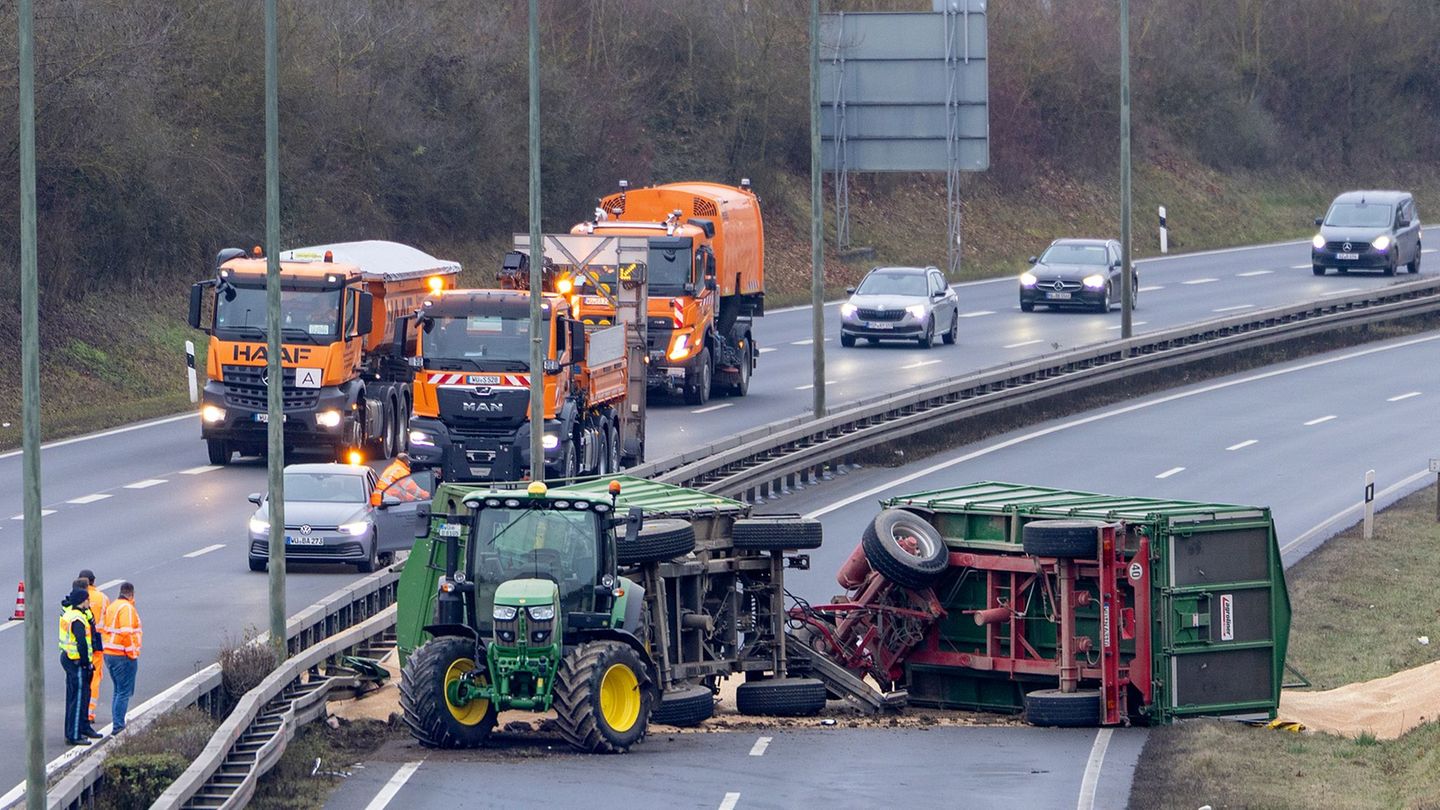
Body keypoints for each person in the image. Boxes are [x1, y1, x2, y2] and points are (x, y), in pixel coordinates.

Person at [58, 586, 99, 745]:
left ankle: (83, 727)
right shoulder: (77, 619)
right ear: (83, 601)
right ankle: (74, 734)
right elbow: (81, 642)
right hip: (76, 661)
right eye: (88, 599)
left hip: (70, 659)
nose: (90, 601)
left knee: (80, 696)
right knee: (78, 698)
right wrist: (86, 663)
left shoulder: (71, 614)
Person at [102, 582, 143, 732]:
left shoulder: (113, 606)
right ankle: (118, 727)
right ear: (132, 594)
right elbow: (126, 632)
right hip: (122, 654)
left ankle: (117, 722)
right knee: (124, 691)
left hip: (110, 653)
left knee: (118, 690)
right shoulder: (127, 608)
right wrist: (132, 653)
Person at [78, 570, 107, 728]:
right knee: (94, 678)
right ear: (94, 581)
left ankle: (80, 713)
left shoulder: (74, 599)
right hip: (97, 643)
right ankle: (89, 712)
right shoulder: (102, 598)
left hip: (78, 646)